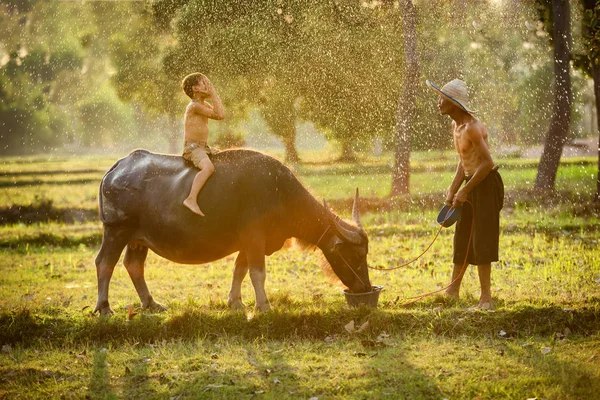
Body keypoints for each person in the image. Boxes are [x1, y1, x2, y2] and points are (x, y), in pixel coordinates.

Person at [426, 79, 504, 309]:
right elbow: (465, 162)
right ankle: (452, 290)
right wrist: (453, 189)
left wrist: (465, 190)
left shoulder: (472, 127)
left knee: (482, 240)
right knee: (462, 237)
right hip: (471, 184)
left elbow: (487, 163)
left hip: (486, 186)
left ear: (453, 104)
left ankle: (486, 299)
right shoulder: (456, 127)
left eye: (442, 99)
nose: (438, 102)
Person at [181, 73, 225, 216]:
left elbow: (220, 113)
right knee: (208, 168)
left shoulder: (202, 105)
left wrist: (211, 94)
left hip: (203, 146)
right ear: (195, 88)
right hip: (192, 148)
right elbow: (219, 116)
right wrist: (212, 93)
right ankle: (191, 198)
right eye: (203, 83)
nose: (207, 86)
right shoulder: (194, 106)